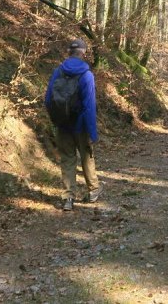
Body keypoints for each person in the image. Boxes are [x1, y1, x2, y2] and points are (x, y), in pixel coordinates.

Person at [44, 39, 100, 211]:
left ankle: (68, 197)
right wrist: (92, 132)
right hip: (81, 125)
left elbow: (48, 99)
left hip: (63, 124)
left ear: (69, 52)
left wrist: (57, 119)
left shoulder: (58, 71)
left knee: (68, 159)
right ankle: (93, 191)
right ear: (83, 53)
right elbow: (89, 106)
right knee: (87, 157)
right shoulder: (87, 75)